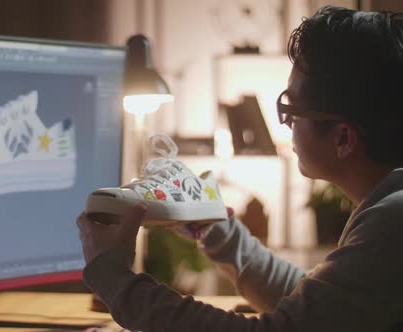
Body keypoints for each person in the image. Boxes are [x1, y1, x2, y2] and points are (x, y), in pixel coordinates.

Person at [77, 5, 403, 332]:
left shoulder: (393, 221)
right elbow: (313, 311)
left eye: (288, 107)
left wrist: (112, 276)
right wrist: (218, 229)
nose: (286, 122)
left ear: (343, 138)